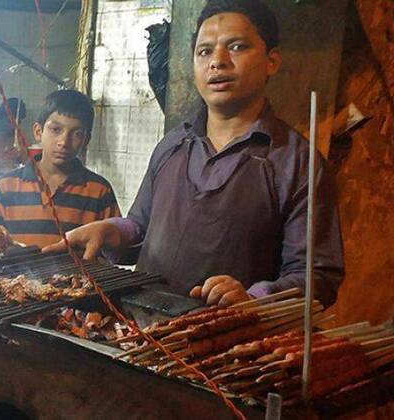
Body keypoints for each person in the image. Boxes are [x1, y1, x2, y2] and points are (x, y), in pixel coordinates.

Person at [44, 0, 344, 308]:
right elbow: (140, 225)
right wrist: (109, 230)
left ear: (272, 61)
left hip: (228, 343)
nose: (218, 62)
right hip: (144, 332)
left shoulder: (296, 162)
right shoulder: (172, 145)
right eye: (205, 51)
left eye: (237, 47)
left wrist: (253, 297)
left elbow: (317, 277)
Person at [0, 89, 121, 248]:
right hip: (16, 273)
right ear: (38, 132)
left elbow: (116, 247)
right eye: (56, 130)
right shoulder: (7, 186)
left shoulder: (99, 190)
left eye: (77, 133)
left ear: (86, 140)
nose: (63, 142)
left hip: (76, 273)